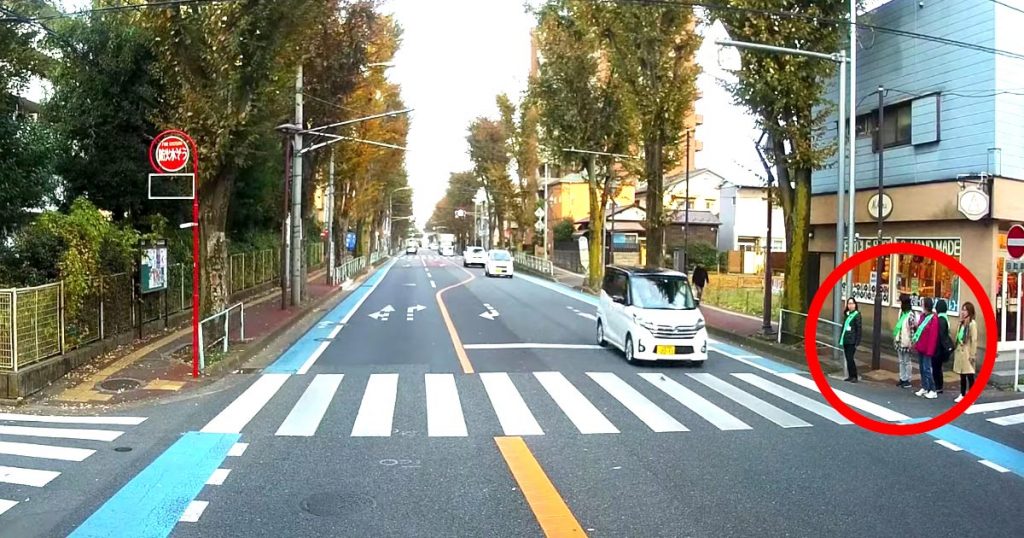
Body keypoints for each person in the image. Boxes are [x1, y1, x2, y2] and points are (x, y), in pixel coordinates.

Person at [913, 297, 940, 399]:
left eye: (922, 304)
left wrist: (930, 351)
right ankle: (925, 386)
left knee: (927, 368)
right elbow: (919, 329)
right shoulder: (922, 316)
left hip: (928, 348)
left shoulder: (933, 319)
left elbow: (933, 336)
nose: (921, 305)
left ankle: (932, 389)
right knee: (921, 368)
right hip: (921, 346)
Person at [953, 302, 979, 403]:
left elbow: (974, 340)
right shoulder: (962, 323)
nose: (963, 312)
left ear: (970, 312)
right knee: (962, 374)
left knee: (970, 375)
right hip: (960, 351)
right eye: (962, 309)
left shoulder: (972, 324)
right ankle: (962, 394)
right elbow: (958, 336)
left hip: (967, 352)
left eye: (965, 310)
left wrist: (973, 354)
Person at [893, 294, 919, 389]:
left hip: (906, 341)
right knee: (901, 361)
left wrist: (911, 343)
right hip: (899, 340)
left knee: (907, 361)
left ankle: (908, 379)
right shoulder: (901, 312)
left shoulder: (910, 315)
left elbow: (912, 330)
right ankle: (902, 378)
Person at [934, 299, 955, 394]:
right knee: (938, 367)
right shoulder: (945, 318)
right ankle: (939, 386)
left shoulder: (940, 320)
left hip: (938, 348)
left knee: (936, 367)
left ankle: (938, 386)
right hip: (941, 347)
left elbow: (941, 335)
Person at [840, 297, 862, 383]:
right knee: (848, 358)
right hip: (846, 339)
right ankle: (850, 375)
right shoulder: (847, 314)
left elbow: (859, 329)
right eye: (849, 303)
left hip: (852, 340)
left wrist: (857, 342)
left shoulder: (857, 315)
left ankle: (854, 376)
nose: (850, 305)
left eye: (852, 303)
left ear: (855, 305)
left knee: (850, 358)